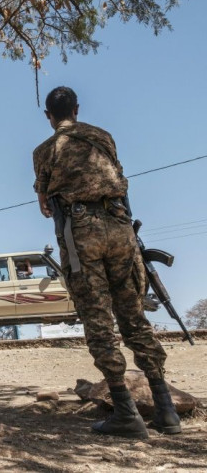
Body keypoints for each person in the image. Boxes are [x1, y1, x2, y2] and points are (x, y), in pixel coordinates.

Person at [32, 86, 180, 438]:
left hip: (82, 235)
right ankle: (166, 411)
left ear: (48, 116)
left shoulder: (43, 151)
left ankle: (126, 413)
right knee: (134, 317)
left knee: (98, 321)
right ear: (77, 110)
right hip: (121, 228)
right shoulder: (104, 138)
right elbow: (120, 182)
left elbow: (44, 201)